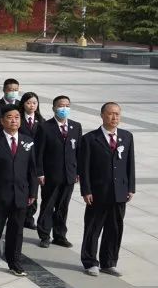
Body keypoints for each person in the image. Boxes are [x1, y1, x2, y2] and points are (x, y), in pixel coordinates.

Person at [0, 105, 38, 277]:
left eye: (17, 117)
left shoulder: (28, 141)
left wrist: (33, 193)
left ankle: (15, 263)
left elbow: (32, 170)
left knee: (16, 231)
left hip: (21, 194)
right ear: (2, 121)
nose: (14, 120)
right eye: (10, 117)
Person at [79, 102, 135, 277]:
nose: (114, 118)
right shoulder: (89, 139)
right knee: (93, 228)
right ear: (102, 115)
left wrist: (130, 187)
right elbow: (84, 168)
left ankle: (108, 262)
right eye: (110, 114)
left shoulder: (126, 137)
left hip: (119, 192)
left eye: (117, 114)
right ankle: (90, 262)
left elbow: (129, 164)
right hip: (98, 192)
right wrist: (86, 190)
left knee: (115, 228)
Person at [35, 95, 81, 249]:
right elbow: (39, 152)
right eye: (61, 106)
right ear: (54, 108)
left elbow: (79, 151)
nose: (64, 109)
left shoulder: (76, 126)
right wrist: (40, 172)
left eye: (67, 105)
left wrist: (78, 171)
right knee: (48, 205)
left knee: (63, 206)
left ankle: (60, 235)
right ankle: (44, 235)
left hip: (69, 174)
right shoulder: (45, 127)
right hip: (50, 175)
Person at [19, 91, 44, 229]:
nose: (32, 105)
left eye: (34, 103)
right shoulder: (18, 119)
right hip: (21, 157)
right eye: (29, 103)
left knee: (33, 188)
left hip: (35, 159)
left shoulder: (41, 121)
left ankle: (30, 216)